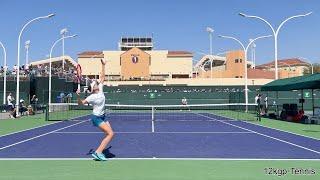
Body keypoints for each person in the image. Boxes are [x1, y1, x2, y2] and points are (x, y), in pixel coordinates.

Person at [76, 59, 114, 161]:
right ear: (93, 88)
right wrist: (78, 96)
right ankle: (98, 152)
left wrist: (103, 65)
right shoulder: (91, 97)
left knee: (109, 134)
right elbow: (81, 103)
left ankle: (101, 149)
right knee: (111, 134)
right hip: (96, 117)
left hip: (103, 116)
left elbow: (102, 77)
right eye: (95, 84)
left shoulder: (100, 89)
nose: (97, 83)